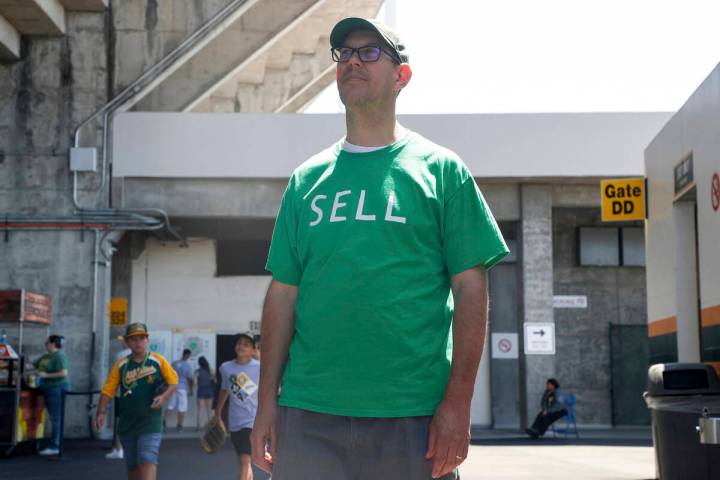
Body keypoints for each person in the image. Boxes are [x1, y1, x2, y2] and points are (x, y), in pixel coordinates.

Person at [251, 17, 509, 480]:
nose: (352, 60)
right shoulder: (306, 181)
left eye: (369, 52)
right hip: (309, 414)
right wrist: (266, 403)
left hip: (412, 419)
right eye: (344, 53)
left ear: (400, 76)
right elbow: (283, 295)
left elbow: (472, 292)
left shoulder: (443, 171)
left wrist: (458, 402)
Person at [95, 323, 178, 480]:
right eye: (133, 339)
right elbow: (107, 390)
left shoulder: (158, 360)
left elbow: (173, 381)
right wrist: (100, 412)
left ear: (147, 341)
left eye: (142, 338)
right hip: (128, 424)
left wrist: (164, 396)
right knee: (132, 468)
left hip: (151, 422)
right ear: (127, 342)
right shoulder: (121, 365)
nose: (138, 342)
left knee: (147, 459)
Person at [214, 334, 260, 480]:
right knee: (245, 461)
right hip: (234, 421)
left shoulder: (260, 367)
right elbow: (224, 389)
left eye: (246, 344)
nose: (241, 346)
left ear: (253, 350)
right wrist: (218, 414)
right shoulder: (226, 368)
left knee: (244, 460)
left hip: (252, 420)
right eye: (239, 343)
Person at [34, 334, 70, 456]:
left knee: (56, 417)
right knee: (53, 416)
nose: (45, 344)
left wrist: (46, 376)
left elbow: (63, 373)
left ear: (53, 343)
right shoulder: (46, 356)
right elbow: (32, 365)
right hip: (47, 388)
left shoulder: (60, 356)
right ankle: (54, 443)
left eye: (47, 342)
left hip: (57, 388)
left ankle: (55, 446)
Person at [106, 338, 132, 460]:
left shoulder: (120, 355)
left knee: (119, 422)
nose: (121, 342)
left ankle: (119, 449)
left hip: (122, 393)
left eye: (123, 341)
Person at [164, 348, 194, 432]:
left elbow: (168, 375)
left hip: (173, 387)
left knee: (171, 405)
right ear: (188, 355)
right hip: (182, 388)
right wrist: (191, 390)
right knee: (182, 407)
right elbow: (190, 379)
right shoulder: (187, 366)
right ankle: (179, 425)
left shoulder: (174, 363)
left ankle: (163, 422)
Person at [194, 355, 215, 431]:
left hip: (201, 390)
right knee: (209, 410)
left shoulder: (197, 371)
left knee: (200, 410)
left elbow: (195, 382)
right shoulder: (211, 370)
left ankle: (199, 426)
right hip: (209, 390)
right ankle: (211, 426)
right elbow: (214, 381)